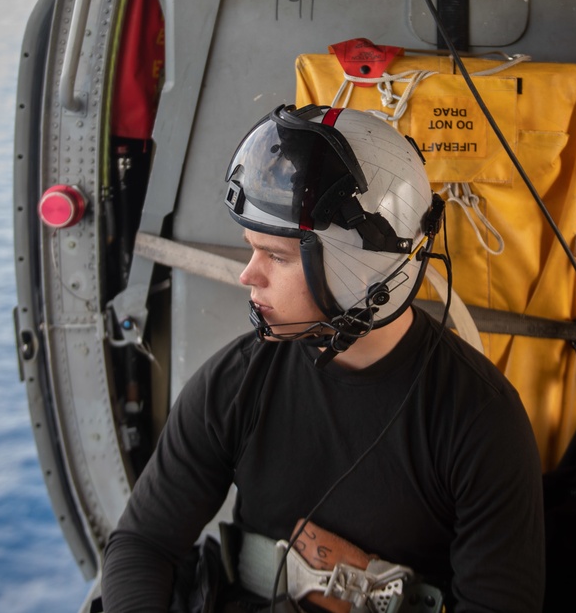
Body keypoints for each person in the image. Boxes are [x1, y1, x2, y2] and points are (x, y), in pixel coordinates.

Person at [101, 104, 544, 612]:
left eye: (278, 256)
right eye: (252, 249)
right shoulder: (234, 382)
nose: (248, 275)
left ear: (364, 271)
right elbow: (143, 544)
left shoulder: (480, 420)